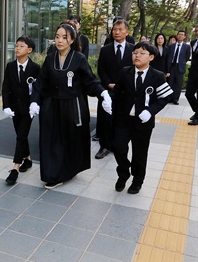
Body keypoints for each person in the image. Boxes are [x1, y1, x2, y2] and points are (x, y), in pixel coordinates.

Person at [29, 23, 111, 190]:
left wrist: (103, 94)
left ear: (72, 40)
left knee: (69, 140)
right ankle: (52, 174)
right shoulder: (50, 58)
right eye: (57, 37)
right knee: (51, 140)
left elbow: (90, 81)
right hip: (51, 105)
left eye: (64, 37)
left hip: (72, 106)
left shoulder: (79, 58)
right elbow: (41, 82)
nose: (59, 40)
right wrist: (34, 101)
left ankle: (67, 171)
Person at [111, 42, 173, 194]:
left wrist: (151, 111)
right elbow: (117, 92)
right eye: (135, 52)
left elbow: (164, 98)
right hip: (123, 119)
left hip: (143, 122)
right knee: (118, 147)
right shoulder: (125, 72)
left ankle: (137, 180)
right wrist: (108, 100)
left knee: (140, 153)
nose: (137, 55)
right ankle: (124, 172)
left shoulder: (157, 76)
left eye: (142, 53)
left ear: (151, 57)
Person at [1, 36, 40, 184]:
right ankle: (28, 159)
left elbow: (38, 89)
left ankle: (15, 168)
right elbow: (6, 88)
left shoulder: (35, 68)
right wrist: (6, 106)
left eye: (21, 46)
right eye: (16, 46)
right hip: (14, 109)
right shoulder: (10, 66)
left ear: (29, 50)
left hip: (28, 109)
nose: (17, 48)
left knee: (21, 136)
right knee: (20, 135)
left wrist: (35, 103)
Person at [95, 18, 134, 159]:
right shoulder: (105, 49)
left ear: (127, 32)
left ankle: (118, 145)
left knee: (122, 120)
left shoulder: (133, 49)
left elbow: (135, 69)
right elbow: (101, 69)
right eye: (114, 29)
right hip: (109, 90)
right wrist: (109, 84)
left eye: (120, 29)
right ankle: (104, 146)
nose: (116, 32)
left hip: (126, 91)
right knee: (106, 119)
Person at [165, 29, 191, 105]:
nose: (180, 36)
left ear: (184, 37)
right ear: (177, 35)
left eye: (182, 35)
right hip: (172, 66)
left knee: (178, 84)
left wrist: (182, 63)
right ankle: (169, 98)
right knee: (170, 82)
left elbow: (187, 57)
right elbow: (168, 57)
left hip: (180, 66)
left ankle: (176, 99)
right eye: (179, 34)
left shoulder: (186, 47)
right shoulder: (171, 46)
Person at [186, 24, 198, 125]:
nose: (197, 33)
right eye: (196, 31)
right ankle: (197, 111)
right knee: (188, 94)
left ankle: (197, 118)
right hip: (193, 73)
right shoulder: (193, 42)